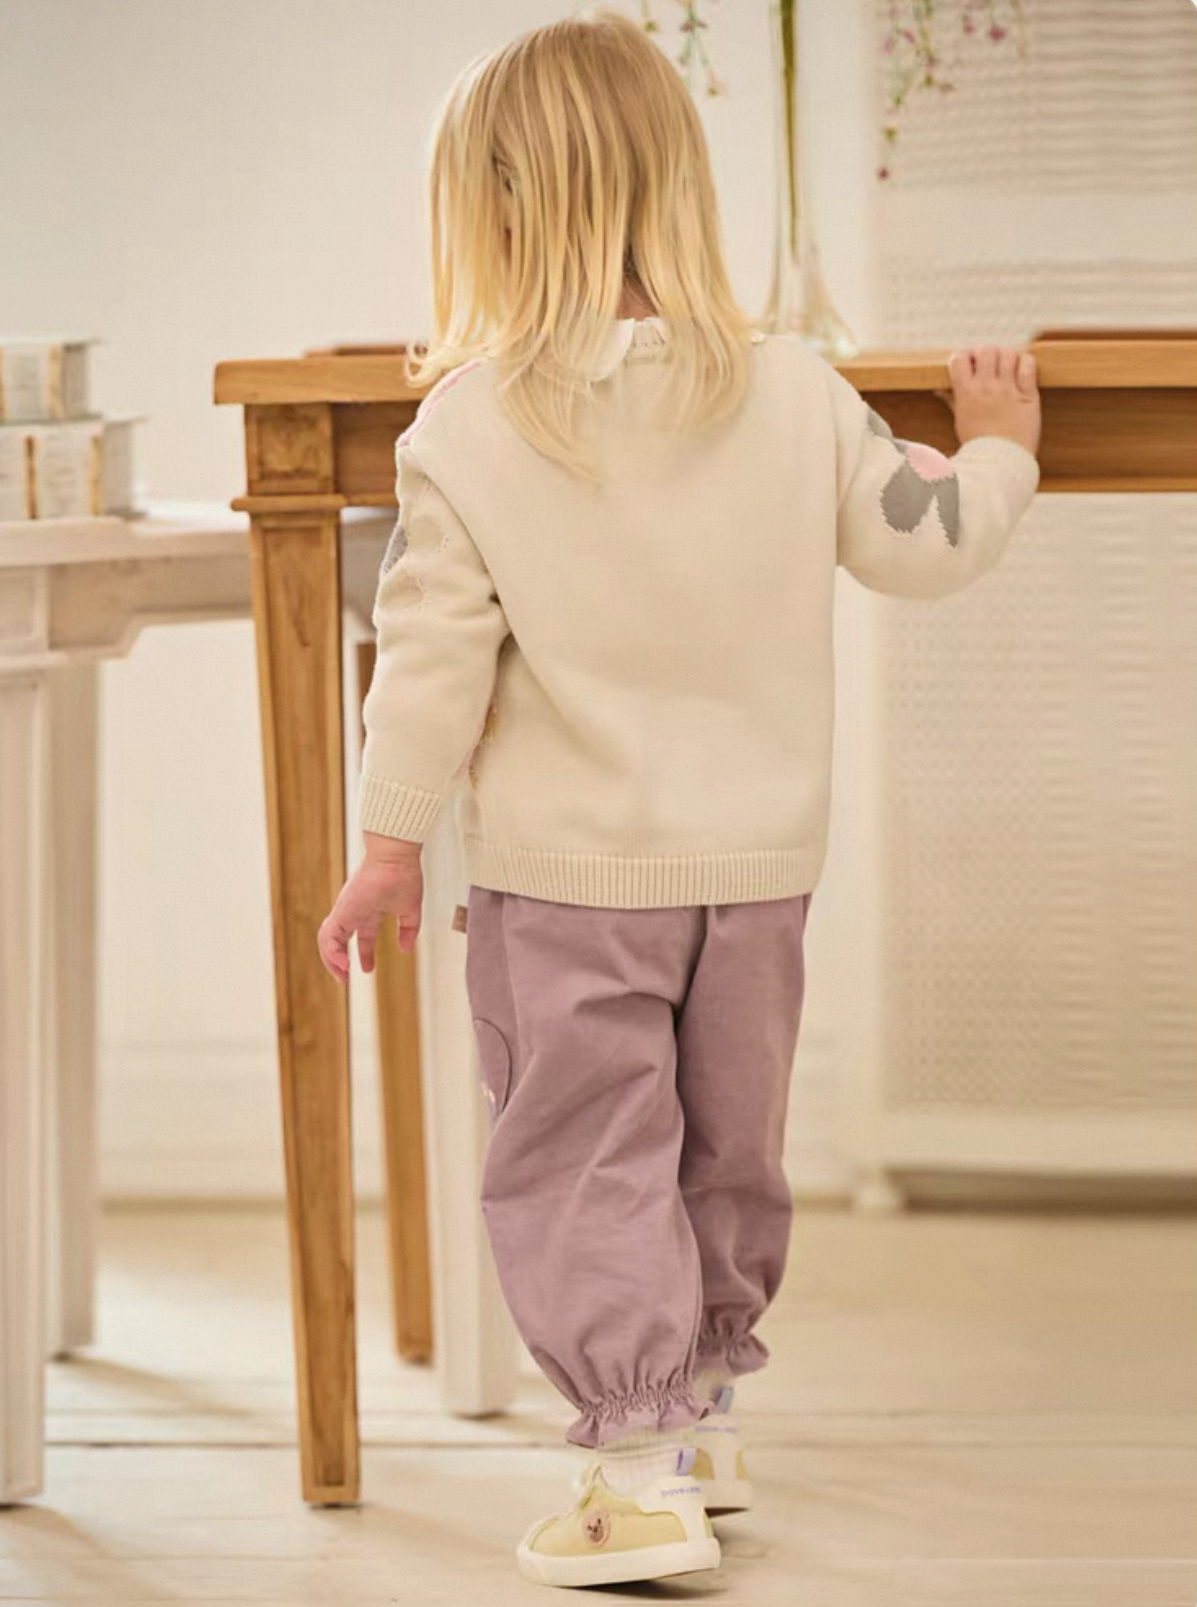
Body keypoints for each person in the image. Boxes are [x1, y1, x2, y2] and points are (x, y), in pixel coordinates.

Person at [317, 7, 1042, 1590]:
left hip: (567, 885)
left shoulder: (472, 422)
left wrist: (385, 847)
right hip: (755, 879)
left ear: (495, 211)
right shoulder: (792, 393)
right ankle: (700, 1412)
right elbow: (924, 542)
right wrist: (996, 452)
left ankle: (632, 1474)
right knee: (726, 1144)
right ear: (676, 187)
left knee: (584, 1154)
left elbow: (427, 664)